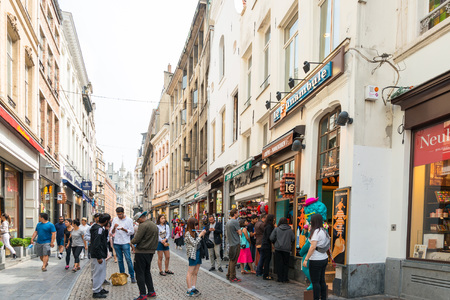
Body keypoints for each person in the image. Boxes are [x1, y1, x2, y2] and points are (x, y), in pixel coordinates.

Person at [131, 211, 158, 300]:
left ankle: (142, 294)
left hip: (142, 251)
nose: (137, 223)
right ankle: (151, 291)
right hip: (151, 252)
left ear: (139, 219)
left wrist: (131, 242)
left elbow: (137, 239)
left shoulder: (143, 225)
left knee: (139, 272)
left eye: (137, 221)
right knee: (147, 271)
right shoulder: (153, 224)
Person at [303, 214, 329, 300]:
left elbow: (313, 247)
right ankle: (323, 298)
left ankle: (316, 298)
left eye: (311, 220)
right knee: (322, 280)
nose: (310, 222)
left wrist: (306, 259)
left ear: (315, 221)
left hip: (316, 260)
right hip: (324, 258)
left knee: (315, 282)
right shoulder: (324, 231)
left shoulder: (316, 232)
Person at [111, 207, 136, 283]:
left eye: (120, 214)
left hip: (125, 242)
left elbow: (132, 232)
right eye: (118, 214)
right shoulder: (115, 220)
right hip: (117, 242)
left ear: (123, 212)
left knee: (128, 259)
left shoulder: (129, 220)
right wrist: (114, 228)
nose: (119, 216)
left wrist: (124, 229)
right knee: (120, 260)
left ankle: (132, 276)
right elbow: (111, 232)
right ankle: (123, 276)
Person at [184, 217, 207, 297]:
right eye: (195, 225)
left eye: (197, 224)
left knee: (195, 272)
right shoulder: (187, 234)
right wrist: (200, 235)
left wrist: (201, 235)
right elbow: (194, 243)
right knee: (190, 272)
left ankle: (193, 287)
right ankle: (189, 290)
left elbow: (199, 241)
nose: (197, 226)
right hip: (192, 254)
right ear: (191, 225)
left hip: (198, 253)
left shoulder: (195, 233)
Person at [91, 213, 111, 299]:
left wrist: (106, 230)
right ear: (106, 221)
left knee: (101, 272)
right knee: (98, 273)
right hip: (98, 255)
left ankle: (99, 288)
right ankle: (96, 291)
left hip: (100, 254)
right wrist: (99, 256)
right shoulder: (98, 230)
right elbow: (96, 244)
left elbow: (103, 240)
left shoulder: (99, 228)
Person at [270, 217, 295, 283]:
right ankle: (285, 278)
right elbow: (293, 238)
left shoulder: (277, 229)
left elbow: (271, 238)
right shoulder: (290, 230)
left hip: (278, 248)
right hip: (286, 249)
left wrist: (275, 243)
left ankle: (279, 278)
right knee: (286, 264)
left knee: (279, 264)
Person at [256, 214, 275, 280]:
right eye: (273, 218)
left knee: (264, 259)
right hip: (266, 245)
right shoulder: (269, 227)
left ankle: (264, 273)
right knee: (267, 260)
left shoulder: (266, 226)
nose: (274, 219)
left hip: (264, 244)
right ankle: (266, 275)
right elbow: (270, 237)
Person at [225, 208, 242, 282]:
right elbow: (240, 233)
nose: (238, 214)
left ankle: (228, 274)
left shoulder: (228, 222)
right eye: (237, 213)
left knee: (231, 260)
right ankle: (232, 276)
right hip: (235, 243)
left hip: (230, 243)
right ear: (234, 214)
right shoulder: (235, 222)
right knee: (234, 261)